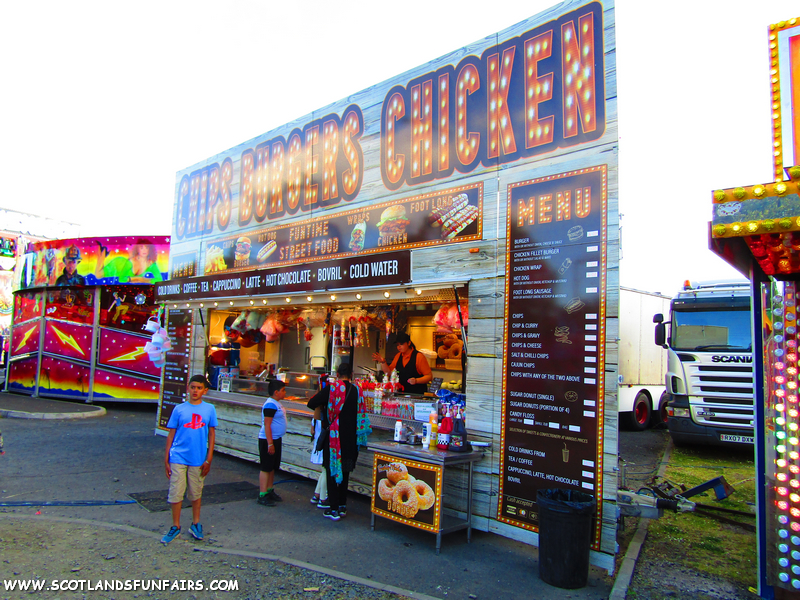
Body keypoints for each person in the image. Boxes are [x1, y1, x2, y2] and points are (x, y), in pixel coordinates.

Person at [307, 363, 371, 521]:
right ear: (351, 374)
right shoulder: (357, 390)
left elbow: (311, 403)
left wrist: (326, 406)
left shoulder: (331, 389)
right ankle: (342, 505)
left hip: (334, 438)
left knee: (331, 470)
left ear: (337, 373)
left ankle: (333, 508)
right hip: (350, 438)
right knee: (345, 471)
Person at [161, 375, 217, 544]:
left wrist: (209, 458)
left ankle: (195, 523)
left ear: (204, 390)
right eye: (192, 387)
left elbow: (212, 433)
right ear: (188, 388)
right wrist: (167, 458)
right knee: (176, 490)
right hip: (178, 455)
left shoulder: (209, 409)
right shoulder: (179, 409)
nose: (195, 391)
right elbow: (171, 434)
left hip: (198, 458)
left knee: (196, 491)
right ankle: (175, 526)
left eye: (199, 388)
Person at [257, 379, 287, 506]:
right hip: (268, 440)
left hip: (276, 438)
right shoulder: (270, 405)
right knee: (266, 467)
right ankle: (262, 494)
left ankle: (269, 490)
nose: (285, 393)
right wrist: (270, 443)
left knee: (272, 467)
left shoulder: (277, 403)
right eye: (283, 390)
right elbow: (267, 424)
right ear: (276, 392)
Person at [309, 411, 328, 507]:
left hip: (318, 446)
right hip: (324, 447)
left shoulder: (315, 417)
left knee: (324, 471)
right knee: (326, 471)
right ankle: (323, 499)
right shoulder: (326, 417)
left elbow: (312, 431)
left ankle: (317, 494)